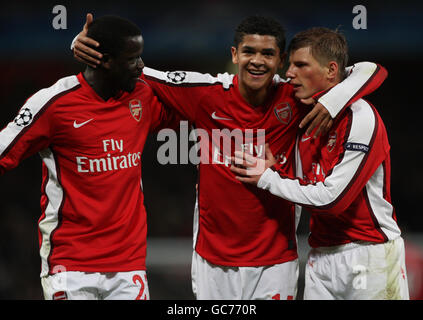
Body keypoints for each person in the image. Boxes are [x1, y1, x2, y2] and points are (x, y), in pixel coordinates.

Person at [73, 14, 387, 299]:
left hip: (275, 260)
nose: (257, 61)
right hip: (213, 260)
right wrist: (87, 48)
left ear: (280, 62)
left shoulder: (295, 96)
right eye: (249, 51)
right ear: (235, 54)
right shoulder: (204, 93)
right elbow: (136, 70)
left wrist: (336, 99)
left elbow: (368, 71)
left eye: (267, 54)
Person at [0, 15, 176, 300]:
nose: (142, 66)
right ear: (105, 60)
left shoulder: (142, 96)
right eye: (133, 59)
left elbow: (200, 109)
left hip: (127, 265)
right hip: (70, 265)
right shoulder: (54, 103)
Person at [230, 27, 409, 300]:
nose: (290, 72)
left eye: (301, 65)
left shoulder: (360, 117)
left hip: (368, 253)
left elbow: (332, 201)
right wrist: (277, 171)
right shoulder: (305, 114)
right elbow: (306, 183)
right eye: (290, 64)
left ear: (331, 70)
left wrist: (268, 178)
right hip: (320, 255)